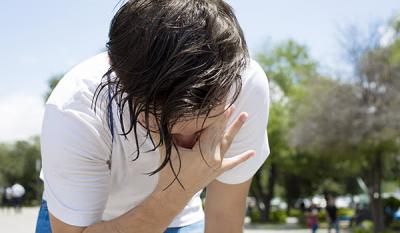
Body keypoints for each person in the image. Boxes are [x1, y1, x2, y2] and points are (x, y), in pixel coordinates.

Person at [35, 0, 270, 233]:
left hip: (181, 219)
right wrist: (176, 193)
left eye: (203, 129)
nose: (192, 151)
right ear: (123, 89)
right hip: (80, 221)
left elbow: (223, 219)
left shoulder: (246, 87)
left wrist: (177, 198)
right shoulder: (76, 109)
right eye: (168, 131)